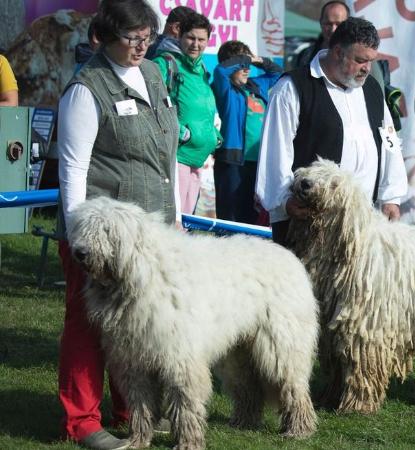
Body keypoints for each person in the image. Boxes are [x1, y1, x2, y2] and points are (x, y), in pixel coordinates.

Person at [55, 1, 179, 448]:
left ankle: (134, 410)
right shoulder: (86, 90)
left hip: (149, 235)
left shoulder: (153, 75)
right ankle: (82, 421)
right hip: (99, 236)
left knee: (140, 325)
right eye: (132, 38)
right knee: (88, 325)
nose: (141, 46)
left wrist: (177, 219)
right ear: (103, 38)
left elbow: (165, 158)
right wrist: (77, 239)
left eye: (147, 37)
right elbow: (73, 170)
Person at [256, 17, 407, 245]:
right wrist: (284, 201)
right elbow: (274, 151)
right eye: (360, 60)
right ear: (337, 52)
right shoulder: (292, 88)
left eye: (371, 61)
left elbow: (389, 143)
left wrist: (391, 196)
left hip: (362, 222)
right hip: (308, 221)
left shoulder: (373, 89)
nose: (367, 68)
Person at [154, 13, 221, 215]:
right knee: (173, 222)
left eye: (201, 39)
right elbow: (154, 104)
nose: (195, 44)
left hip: (198, 158)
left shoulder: (202, 69)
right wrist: (181, 132)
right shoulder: (165, 63)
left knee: (187, 220)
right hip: (177, 155)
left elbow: (203, 108)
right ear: (180, 36)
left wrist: (213, 135)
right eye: (190, 38)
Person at [212, 40, 282, 224]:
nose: (247, 69)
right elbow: (220, 70)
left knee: (255, 219)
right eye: (241, 65)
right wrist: (243, 59)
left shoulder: (256, 85)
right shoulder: (225, 88)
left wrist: (257, 60)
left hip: (259, 164)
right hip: (232, 163)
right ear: (232, 65)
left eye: (249, 65)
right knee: (231, 218)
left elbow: (277, 73)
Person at [292, 1, 349, 70]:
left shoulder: (357, 56)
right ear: (321, 23)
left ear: (348, 24)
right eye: (328, 24)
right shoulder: (305, 56)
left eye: (338, 24)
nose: (333, 29)